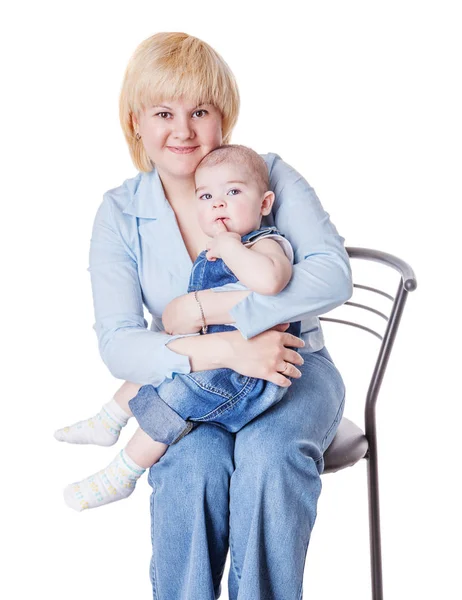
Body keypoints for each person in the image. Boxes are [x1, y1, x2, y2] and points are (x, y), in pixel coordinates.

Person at [59, 31, 352, 600]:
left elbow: (331, 276)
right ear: (135, 122)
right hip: (194, 379)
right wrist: (226, 348)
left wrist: (210, 309)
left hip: (294, 366)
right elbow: (119, 343)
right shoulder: (120, 211)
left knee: (268, 458)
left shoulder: (266, 176)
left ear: (225, 117)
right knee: (193, 468)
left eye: (201, 110)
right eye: (164, 112)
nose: (183, 130)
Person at [55, 144, 304, 512]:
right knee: (166, 355)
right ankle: (111, 416)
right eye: (207, 196)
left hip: (250, 376)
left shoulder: (266, 243)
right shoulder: (211, 248)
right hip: (223, 358)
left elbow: (270, 282)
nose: (219, 203)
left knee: (175, 394)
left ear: (264, 203)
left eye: (233, 192)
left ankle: (124, 471)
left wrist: (231, 247)